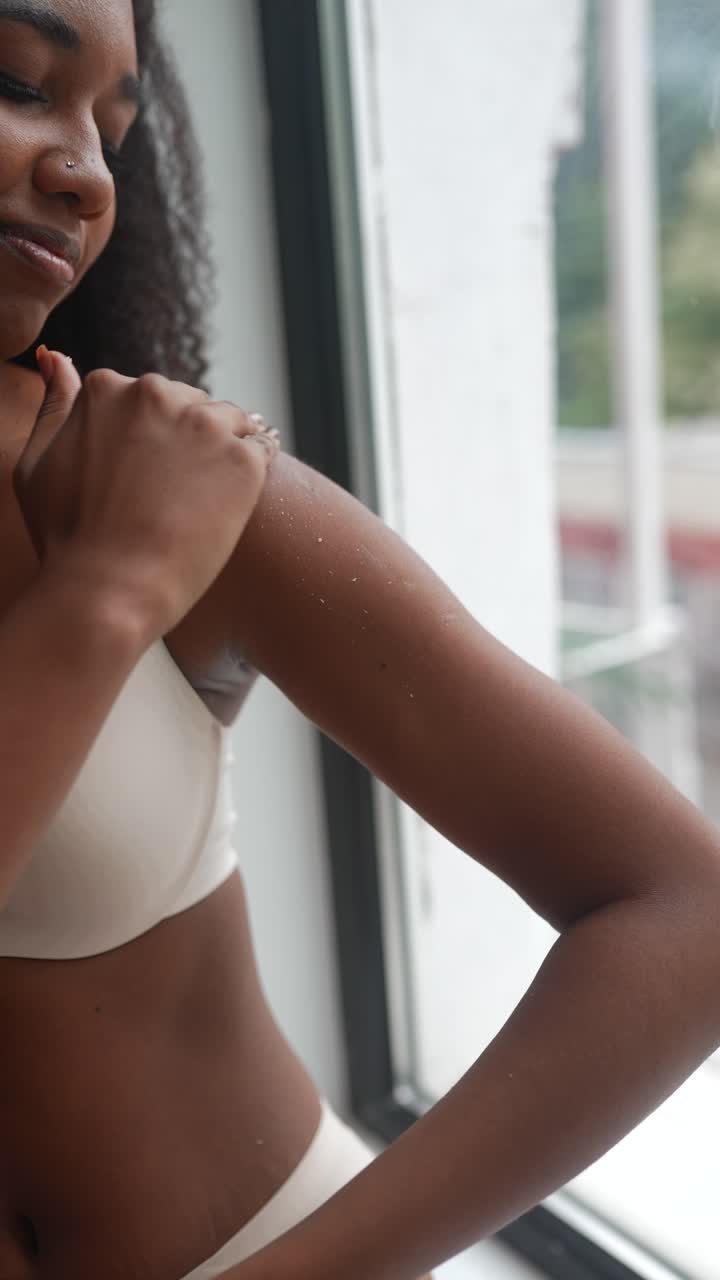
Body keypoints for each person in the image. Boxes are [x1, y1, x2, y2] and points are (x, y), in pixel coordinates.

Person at [2, 2, 720, 1279]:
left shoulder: (168, 488)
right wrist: (102, 598)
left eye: (116, 131)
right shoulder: (122, 548)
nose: (83, 171)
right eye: (15, 81)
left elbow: (685, 907)